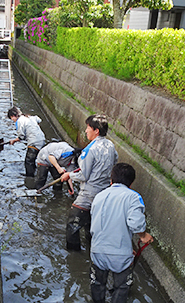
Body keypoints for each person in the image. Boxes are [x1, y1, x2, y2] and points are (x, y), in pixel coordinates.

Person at [89, 163, 154, 303]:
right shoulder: (133, 197)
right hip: (120, 254)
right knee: (121, 287)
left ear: (111, 180)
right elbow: (135, 223)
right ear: (131, 183)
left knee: (98, 284)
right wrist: (143, 236)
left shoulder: (99, 196)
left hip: (97, 250)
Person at [61, 114, 118, 251]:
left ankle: (74, 255)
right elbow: (114, 163)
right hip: (104, 193)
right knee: (92, 224)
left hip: (89, 194)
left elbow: (83, 175)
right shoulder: (110, 146)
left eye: (88, 128)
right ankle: (93, 250)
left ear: (96, 130)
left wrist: (69, 175)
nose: (86, 131)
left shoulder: (90, 150)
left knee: (72, 225)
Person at [7, 106, 46, 177]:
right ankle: (35, 172)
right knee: (37, 159)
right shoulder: (29, 117)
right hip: (42, 139)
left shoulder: (19, 121)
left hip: (34, 142)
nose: (12, 120)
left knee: (29, 161)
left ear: (13, 116)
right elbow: (39, 120)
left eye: (11, 118)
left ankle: (30, 177)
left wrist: (14, 140)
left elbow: (21, 136)